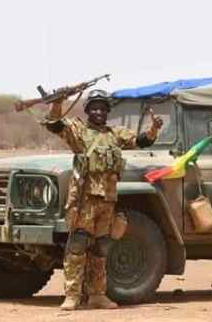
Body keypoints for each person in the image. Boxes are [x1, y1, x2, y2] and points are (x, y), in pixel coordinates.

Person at [43, 89, 163, 310]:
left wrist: (153, 128)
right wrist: (57, 104)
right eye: (94, 108)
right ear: (88, 111)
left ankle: (97, 294)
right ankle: (72, 295)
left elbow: (141, 141)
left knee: (101, 248)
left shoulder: (115, 134)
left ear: (107, 112)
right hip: (84, 199)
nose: (98, 112)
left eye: (102, 109)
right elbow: (54, 124)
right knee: (77, 245)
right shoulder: (79, 131)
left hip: (107, 199)